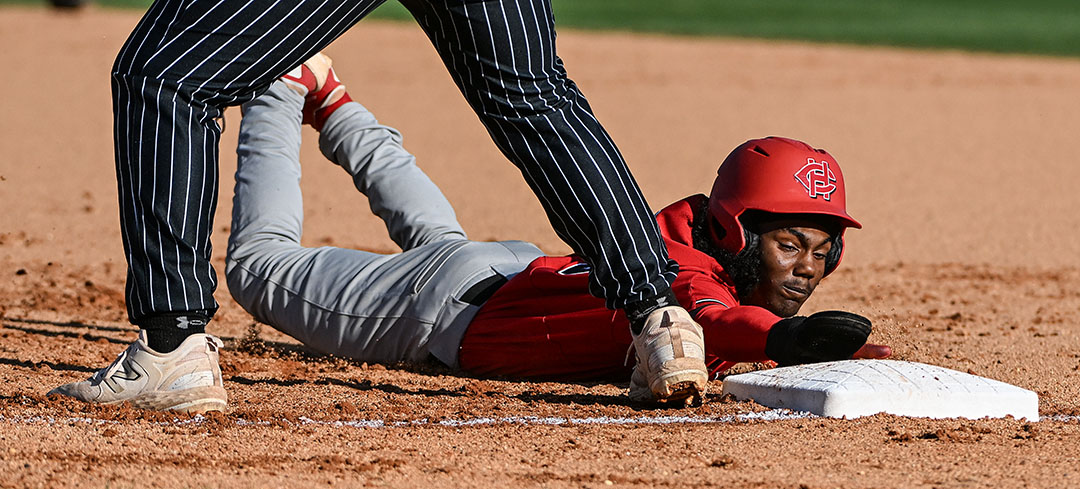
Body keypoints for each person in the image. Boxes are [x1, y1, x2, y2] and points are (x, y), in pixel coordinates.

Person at [51, 57, 889, 411]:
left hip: (501, 273)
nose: (808, 265)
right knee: (260, 268)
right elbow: (708, 315)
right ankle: (280, 80)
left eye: (822, 247)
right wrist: (784, 336)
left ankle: (335, 103)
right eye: (789, 242)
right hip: (440, 311)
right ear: (736, 230)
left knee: (435, 236)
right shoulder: (679, 267)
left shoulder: (662, 233)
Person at [91, 0, 708, 411]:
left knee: (162, 75)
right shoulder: (712, 277)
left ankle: (171, 342)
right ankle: (659, 316)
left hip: (455, 287)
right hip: (483, 271)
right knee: (533, 94)